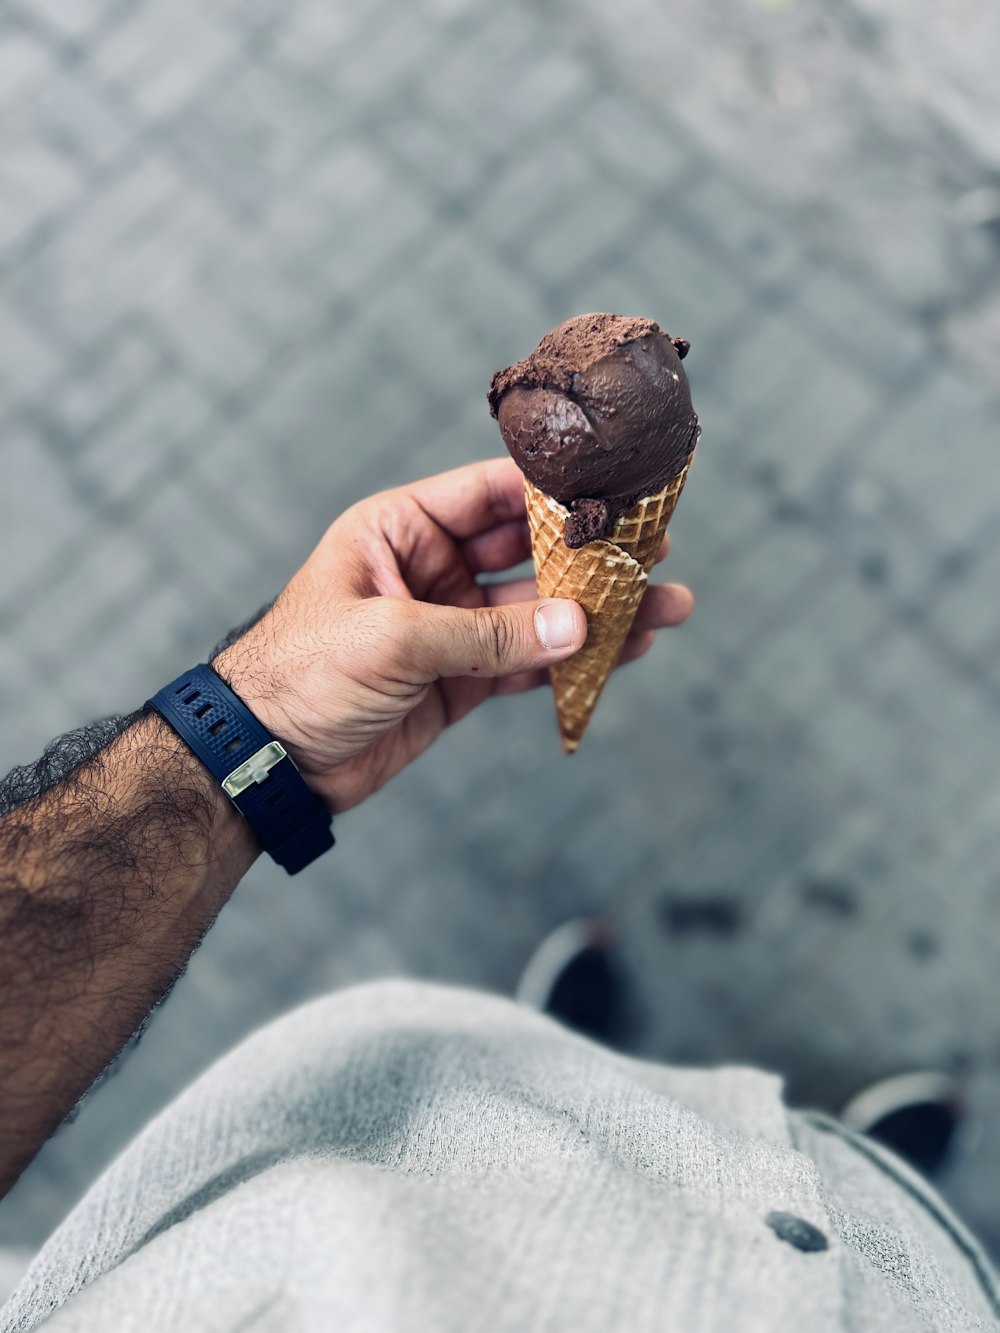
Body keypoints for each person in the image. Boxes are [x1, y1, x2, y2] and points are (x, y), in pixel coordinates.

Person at [0, 460, 995, 1332]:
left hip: (408, 1153)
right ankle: (851, 1182)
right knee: (864, 1218)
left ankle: (550, 1069)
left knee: (506, 1096)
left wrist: (251, 728)